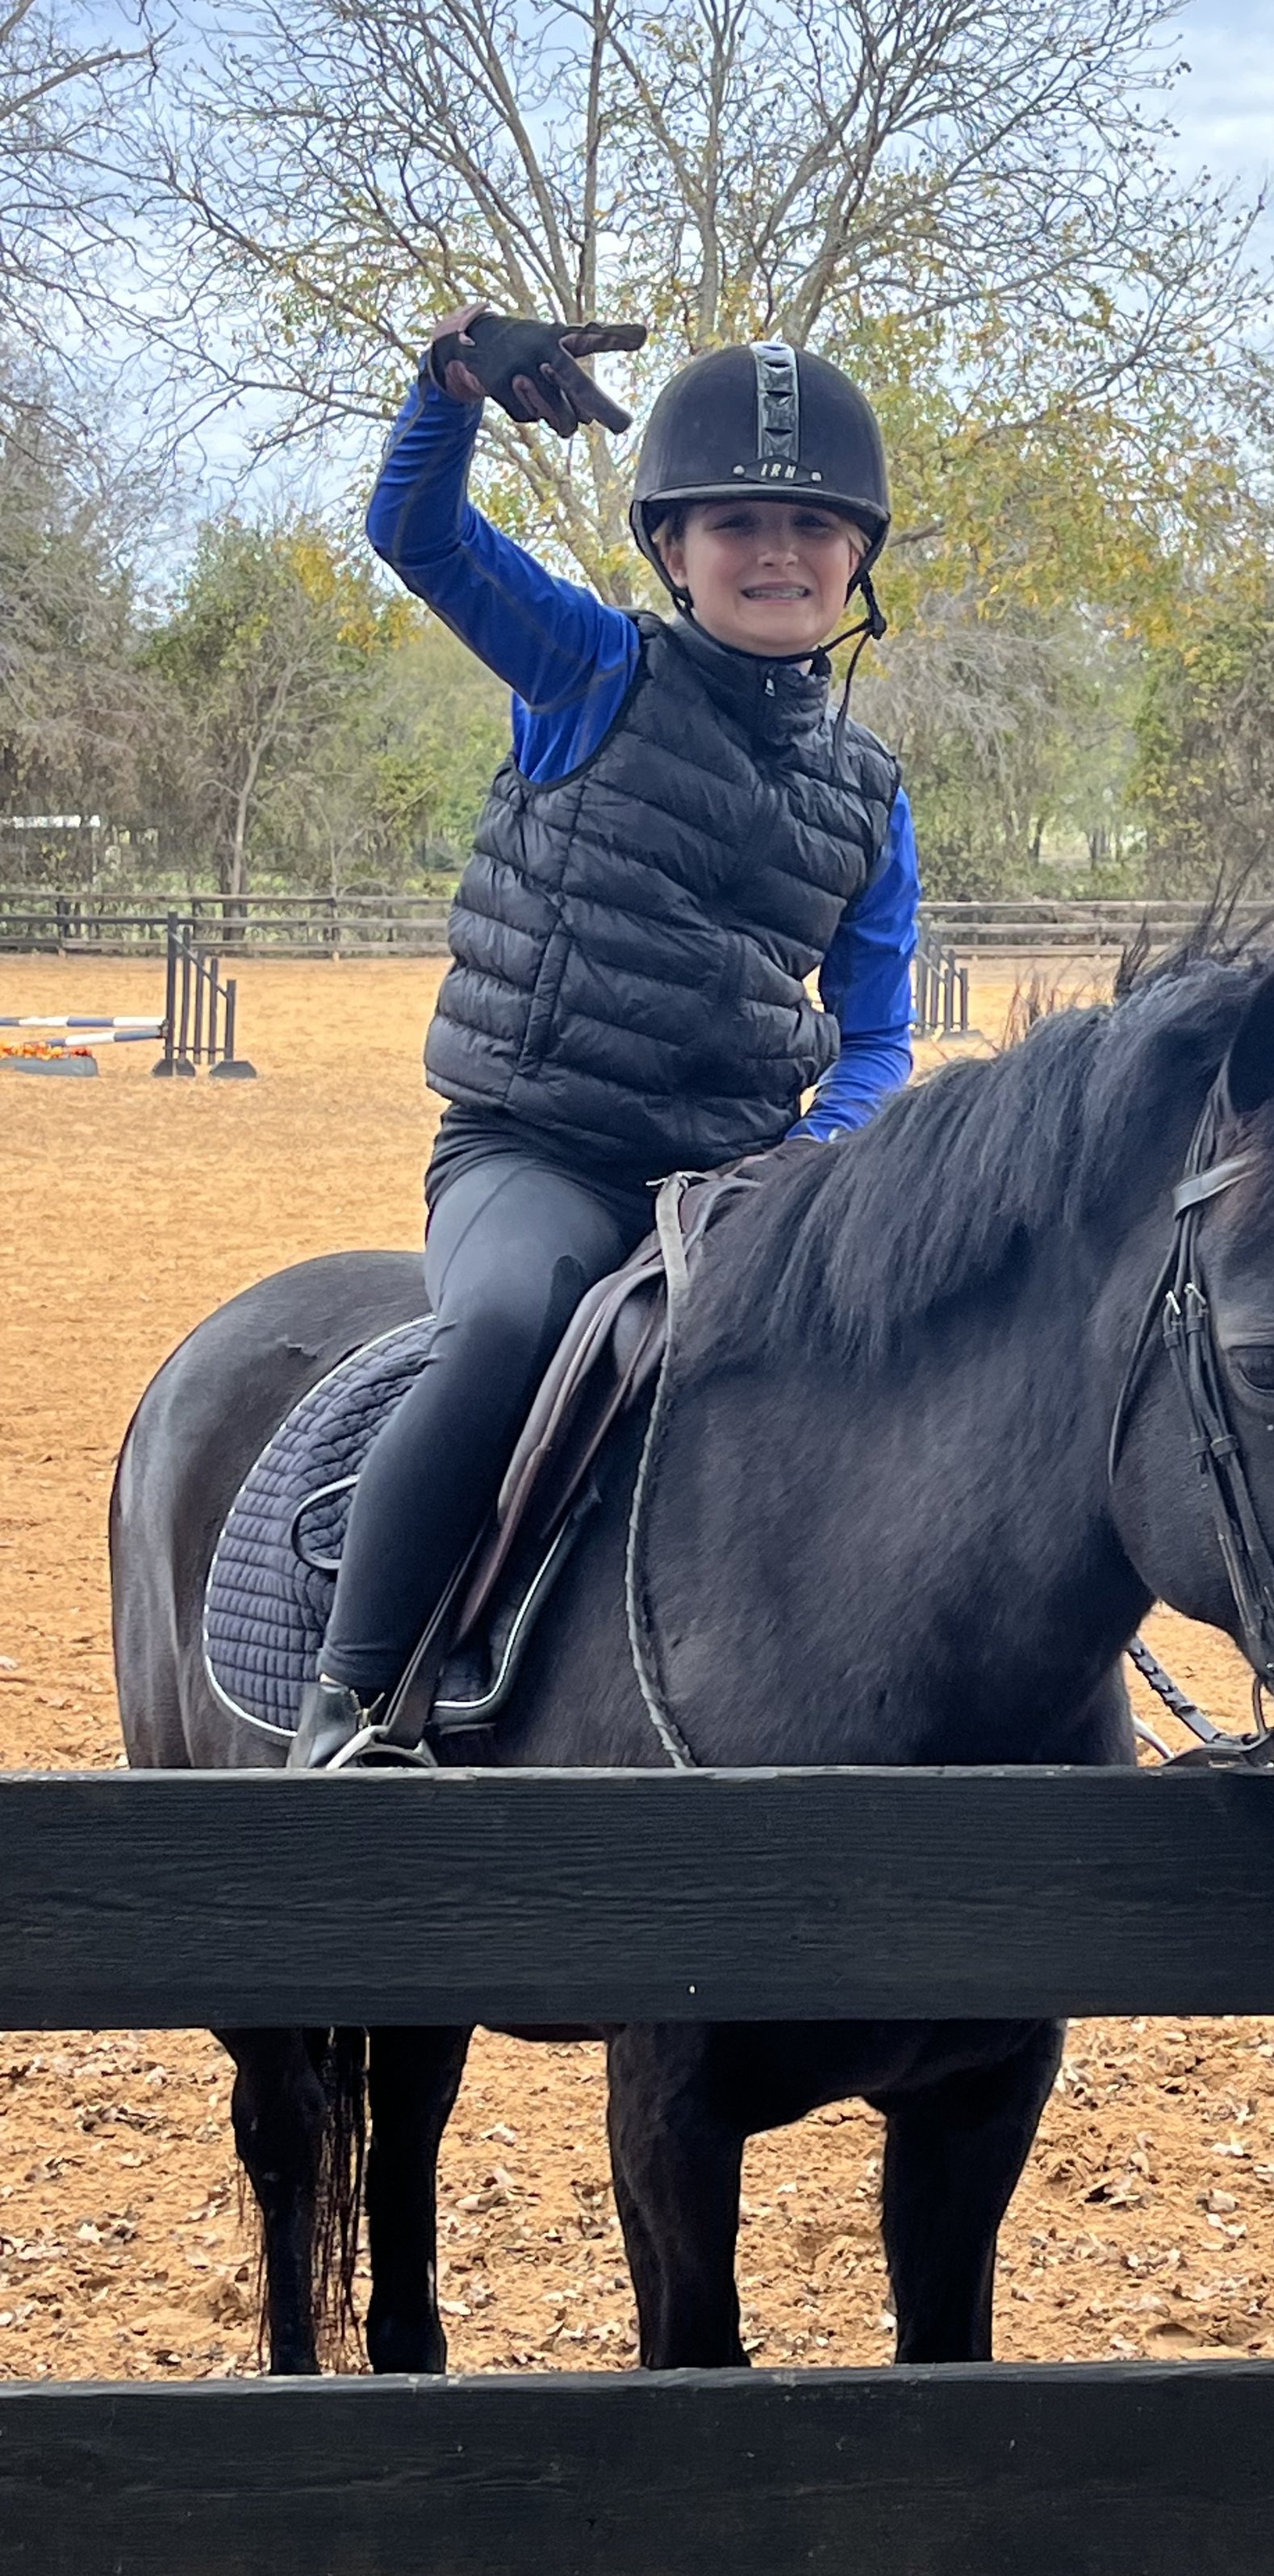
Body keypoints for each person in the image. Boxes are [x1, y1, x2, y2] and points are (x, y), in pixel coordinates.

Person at [287, 313, 919, 1767]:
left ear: (858, 558)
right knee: (509, 1325)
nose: (778, 553)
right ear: (674, 549)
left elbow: (880, 1035)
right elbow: (420, 538)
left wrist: (817, 1154)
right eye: (738, 523)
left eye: (812, 527)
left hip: (737, 1189)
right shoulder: (588, 669)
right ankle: (354, 1702)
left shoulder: (872, 794)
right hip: (538, 1155)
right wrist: (450, 388)